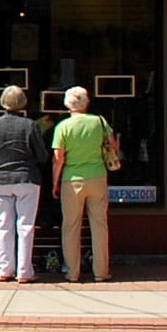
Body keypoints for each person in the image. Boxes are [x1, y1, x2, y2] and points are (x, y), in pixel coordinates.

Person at [50, 86, 118, 282]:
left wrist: (55, 183)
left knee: (71, 226)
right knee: (99, 225)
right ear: (86, 102)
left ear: (67, 104)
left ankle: (72, 272)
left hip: (72, 180)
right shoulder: (99, 121)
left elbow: (58, 158)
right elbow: (114, 145)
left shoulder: (62, 127)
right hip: (97, 176)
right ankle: (101, 272)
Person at [0, 86, 47, 283]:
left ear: (3, 102)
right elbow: (42, 156)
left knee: (4, 225)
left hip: (1, 179)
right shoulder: (30, 126)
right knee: (25, 226)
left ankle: (3, 269)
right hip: (27, 178)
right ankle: (24, 272)